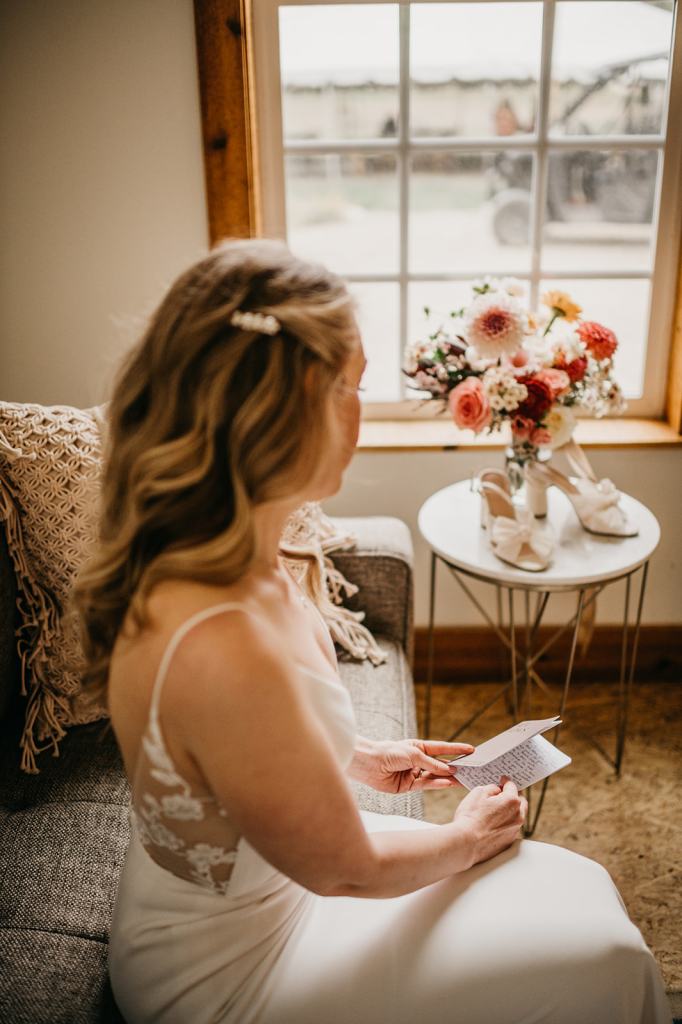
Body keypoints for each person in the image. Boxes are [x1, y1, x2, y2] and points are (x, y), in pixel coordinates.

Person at [73, 238, 671, 1024]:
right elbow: (346, 868)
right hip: (231, 971)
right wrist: (467, 833)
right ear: (278, 413)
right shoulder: (220, 637)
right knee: (604, 952)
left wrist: (357, 756)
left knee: (577, 890)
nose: (360, 409)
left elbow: (228, 740)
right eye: (349, 387)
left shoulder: (219, 543)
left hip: (266, 892)